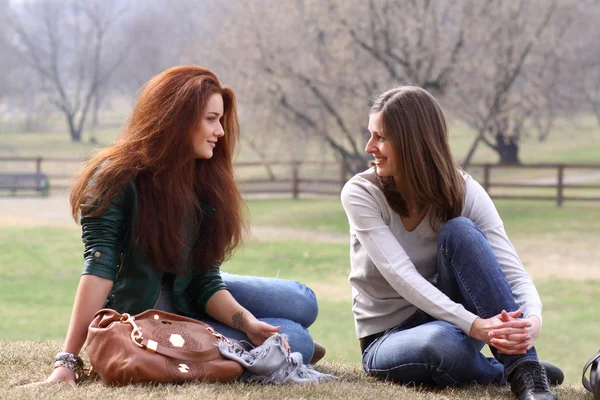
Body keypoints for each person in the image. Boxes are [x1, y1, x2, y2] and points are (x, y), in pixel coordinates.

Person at [38, 65, 324, 386]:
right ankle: (274, 351)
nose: (221, 132)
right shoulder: (113, 178)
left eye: (220, 120)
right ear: (177, 118)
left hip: (190, 295)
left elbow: (204, 281)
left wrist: (247, 324)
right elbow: (98, 271)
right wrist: (67, 359)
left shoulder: (202, 179)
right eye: (211, 119)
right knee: (298, 339)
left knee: (303, 301)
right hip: (145, 321)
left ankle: (259, 344)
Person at [340, 85, 562, 400]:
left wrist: (531, 320)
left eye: (380, 137)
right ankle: (496, 372)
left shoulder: (464, 191)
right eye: (370, 134)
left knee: (461, 231)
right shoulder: (361, 194)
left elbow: (510, 267)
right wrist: (474, 326)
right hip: (386, 339)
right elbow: (402, 275)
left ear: (412, 144)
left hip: (454, 319)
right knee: (439, 342)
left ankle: (527, 371)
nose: (368, 147)